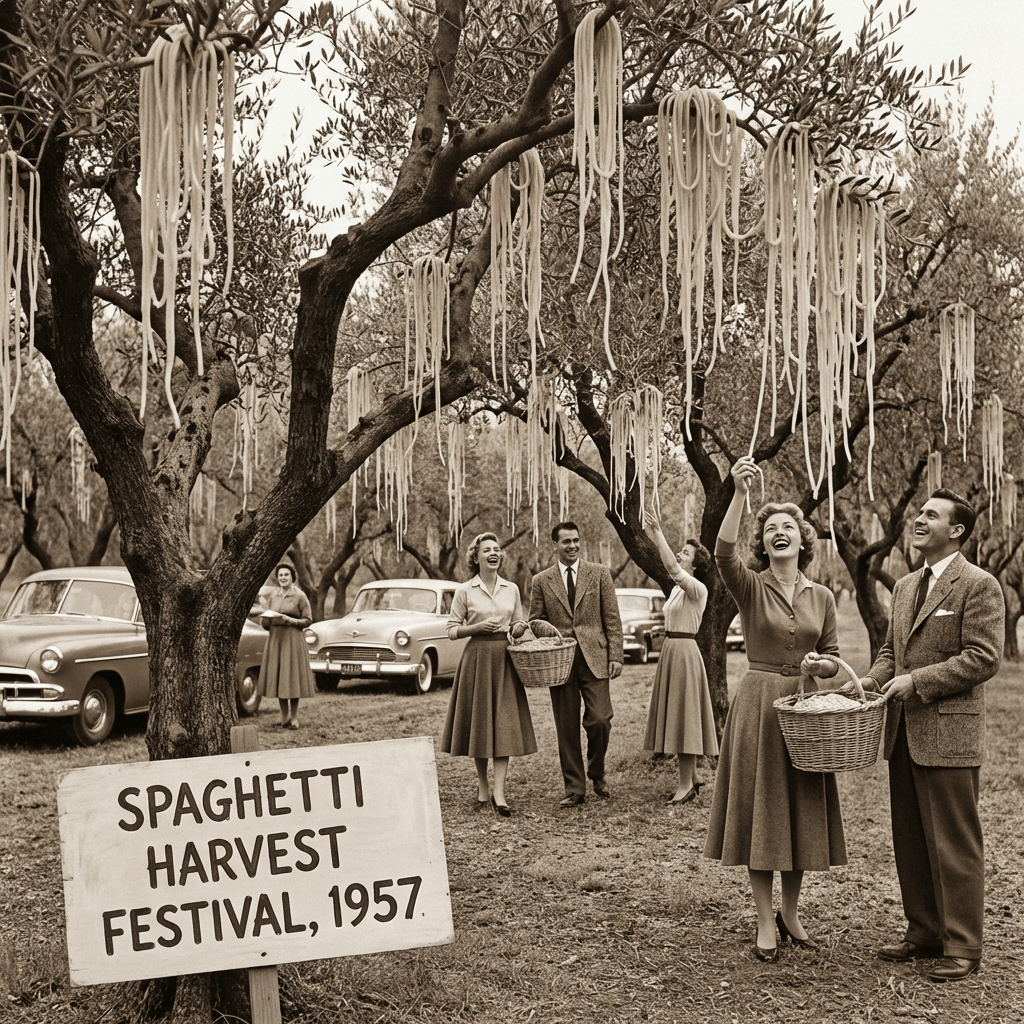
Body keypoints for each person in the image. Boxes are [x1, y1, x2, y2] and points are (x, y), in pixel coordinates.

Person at [703, 456, 845, 963]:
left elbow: (832, 657)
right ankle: (764, 919)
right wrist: (741, 495)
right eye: (770, 529)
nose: (779, 533)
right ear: (762, 543)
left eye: (788, 527)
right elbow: (720, 551)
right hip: (761, 706)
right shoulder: (750, 585)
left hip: (806, 711)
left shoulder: (823, 595)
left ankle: (791, 911)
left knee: (800, 811)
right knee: (763, 812)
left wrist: (822, 668)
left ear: (803, 541)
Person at [859, 489, 1003, 982]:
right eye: (919, 512)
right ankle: (923, 932)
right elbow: (889, 653)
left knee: (954, 845)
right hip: (902, 734)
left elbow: (983, 657)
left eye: (931, 515)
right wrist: (869, 681)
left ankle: (963, 945)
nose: (918, 519)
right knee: (913, 840)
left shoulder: (978, 585)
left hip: (949, 738)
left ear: (957, 530)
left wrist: (916, 683)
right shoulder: (902, 587)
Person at [528, 521, 624, 807]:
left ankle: (597, 771)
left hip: (595, 658)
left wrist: (616, 655)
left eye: (576, 540)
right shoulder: (541, 581)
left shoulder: (599, 574)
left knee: (600, 719)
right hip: (560, 661)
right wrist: (553, 633)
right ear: (554, 545)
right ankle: (575, 789)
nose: (572, 546)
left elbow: (612, 619)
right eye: (566, 541)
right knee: (566, 726)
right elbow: (534, 620)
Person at [441, 533, 536, 816]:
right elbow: (451, 630)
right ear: (476, 557)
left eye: (497, 550)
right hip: (477, 659)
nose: (494, 554)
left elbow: (520, 622)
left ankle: (499, 793)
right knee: (480, 724)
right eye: (487, 550)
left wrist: (518, 629)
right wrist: (476, 628)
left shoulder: (512, 588)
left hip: (504, 659)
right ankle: (483, 786)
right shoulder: (464, 590)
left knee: (503, 724)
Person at [641, 509, 719, 803]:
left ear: (696, 565)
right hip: (673, 651)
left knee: (685, 718)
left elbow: (672, 568)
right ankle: (694, 776)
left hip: (685, 653)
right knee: (679, 715)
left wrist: (656, 532)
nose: (679, 554)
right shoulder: (678, 591)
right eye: (681, 551)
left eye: (685, 553)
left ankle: (685, 784)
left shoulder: (697, 588)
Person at [259, 563, 316, 728]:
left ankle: (294, 717)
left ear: (292, 577)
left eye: (286, 575)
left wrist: (289, 620)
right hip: (276, 640)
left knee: (291, 677)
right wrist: (265, 620)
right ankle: (284, 718)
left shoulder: (300, 596)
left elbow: (307, 620)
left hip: (293, 640)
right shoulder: (273, 595)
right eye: (280, 575)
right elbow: (267, 621)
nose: (283, 578)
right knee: (280, 677)